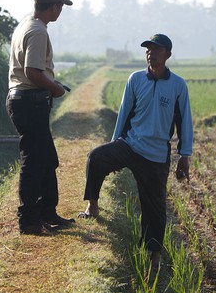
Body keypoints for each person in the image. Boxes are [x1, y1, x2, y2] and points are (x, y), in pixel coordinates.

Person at [78, 34, 193, 268]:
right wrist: (115, 145)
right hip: (130, 145)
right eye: (147, 49)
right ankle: (93, 205)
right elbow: (124, 113)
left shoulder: (178, 86)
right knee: (96, 158)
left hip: (156, 155)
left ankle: (154, 255)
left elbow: (184, 122)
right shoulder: (136, 79)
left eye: (156, 49)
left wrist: (185, 155)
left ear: (167, 55)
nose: (150, 53)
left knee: (155, 208)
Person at [6, 0, 75, 235]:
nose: (61, 11)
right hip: (29, 100)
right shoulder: (38, 32)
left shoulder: (26, 24)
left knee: (46, 158)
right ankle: (29, 221)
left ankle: (47, 212)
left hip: (24, 100)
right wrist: (54, 88)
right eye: (61, 6)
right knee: (34, 161)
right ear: (55, 7)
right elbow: (32, 72)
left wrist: (50, 85)